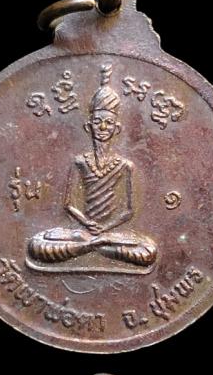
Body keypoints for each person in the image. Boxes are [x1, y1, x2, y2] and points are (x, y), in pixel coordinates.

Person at [28, 64, 157, 268]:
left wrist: (105, 229)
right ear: (89, 127)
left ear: (116, 129)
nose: (103, 127)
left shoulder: (125, 166)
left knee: (147, 251)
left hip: (111, 233)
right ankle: (95, 245)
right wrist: (86, 224)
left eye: (108, 123)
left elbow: (128, 211)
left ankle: (93, 245)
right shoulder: (80, 162)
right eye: (97, 122)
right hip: (81, 232)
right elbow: (69, 205)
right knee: (38, 245)